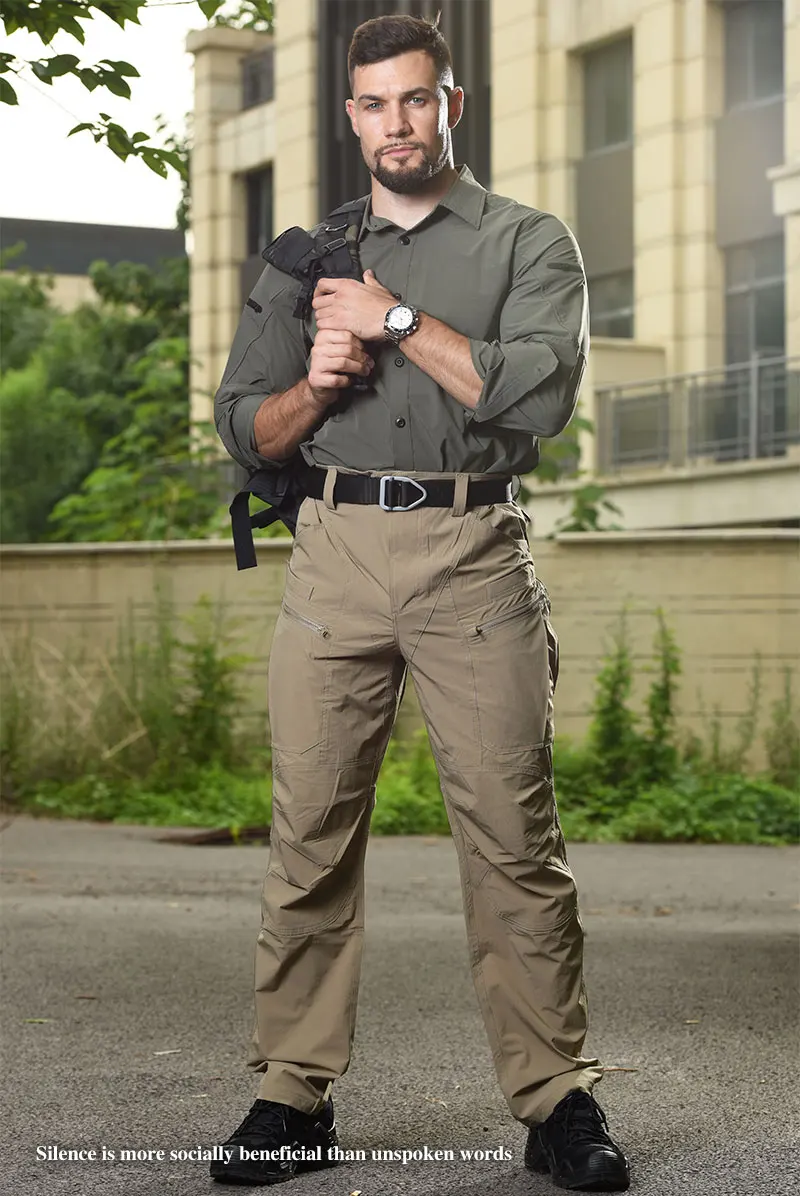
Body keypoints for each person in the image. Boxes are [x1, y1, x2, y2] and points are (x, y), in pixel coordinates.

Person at [210, 12, 630, 1192]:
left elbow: (531, 398)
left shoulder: (526, 243)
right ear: (351, 118)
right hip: (334, 549)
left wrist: (393, 320)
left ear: (454, 103)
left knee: (513, 838)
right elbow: (242, 426)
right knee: (307, 837)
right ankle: (290, 1097)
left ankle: (557, 1101)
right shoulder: (304, 257)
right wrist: (315, 378)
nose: (396, 124)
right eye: (374, 105)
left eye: (416, 100)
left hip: (471, 549)